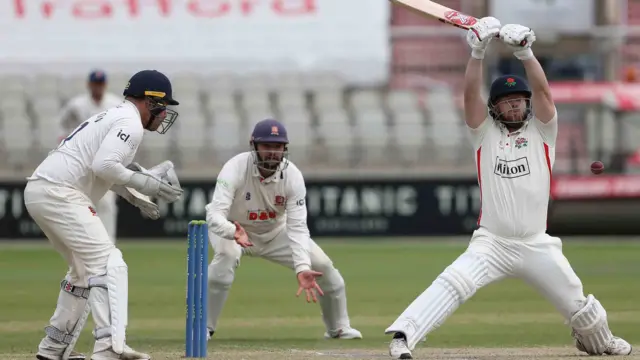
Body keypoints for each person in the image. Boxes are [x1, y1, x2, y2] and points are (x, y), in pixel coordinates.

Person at [384, 18, 632, 359]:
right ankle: (402, 337)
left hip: (536, 243)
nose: (514, 105)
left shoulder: (543, 133)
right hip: (493, 242)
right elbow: (470, 94)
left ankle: (599, 342)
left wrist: (526, 54)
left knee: (579, 303)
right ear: (495, 107)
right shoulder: (484, 134)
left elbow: (544, 92)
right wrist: (477, 51)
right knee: (455, 281)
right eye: (506, 101)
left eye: (519, 100)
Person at [26, 70, 184, 360]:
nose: (164, 116)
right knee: (109, 262)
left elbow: (104, 170)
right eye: (162, 108)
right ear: (148, 102)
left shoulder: (114, 116)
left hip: (42, 190)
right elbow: (105, 166)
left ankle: (52, 350)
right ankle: (110, 347)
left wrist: (135, 197)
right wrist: (147, 183)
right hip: (60, 192)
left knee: (83, 272)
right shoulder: (129, 123)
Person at [205, 119, 362, 341]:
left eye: (278, 147)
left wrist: (302, 267)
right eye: (267, 146)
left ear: (284, 148)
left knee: (323, 266)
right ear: (254, 145)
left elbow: (297, 228)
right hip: (234, 229)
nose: (272, 152)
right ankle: (204, 328)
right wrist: (233, 233)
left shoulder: (293, 176)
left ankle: (337, 327)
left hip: (275, 232)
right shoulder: (235, 167)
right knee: (226, 257)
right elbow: (214, 215)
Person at [57, 70, 123, 243]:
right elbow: (63, 126)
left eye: (100, 84)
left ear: (105, 85)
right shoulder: (77, 105)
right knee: (81, 203)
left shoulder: (115, 104)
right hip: (82, 162)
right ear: (89, 85)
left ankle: (108, 245)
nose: (98, 88)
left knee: (107, 203)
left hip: (105, 161)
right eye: (95, 84)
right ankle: (83, 243)